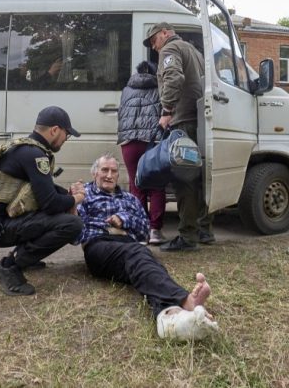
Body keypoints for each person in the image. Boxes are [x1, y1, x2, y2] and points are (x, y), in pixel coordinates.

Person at [76, 153, 218, 340]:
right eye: (104, 170)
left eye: (113, 171)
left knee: (146, 268)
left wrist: (124, 220)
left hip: (128, 246)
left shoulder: (130, 199)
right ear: (95, 173)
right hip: (99, 246)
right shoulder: (84, 195)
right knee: (141, 254)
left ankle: (170, 319)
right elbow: (76, 231)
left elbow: (144, 230)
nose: (109, 175)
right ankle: (186, 300)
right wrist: (76, 202)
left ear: (119, 175)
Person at [0, 106, 84, 296]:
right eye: (67, 134)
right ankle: (9, 267)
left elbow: (42, 192)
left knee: (61, 210)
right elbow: (50, 204)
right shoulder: (35, 155)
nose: (66, 139)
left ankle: (27, 258)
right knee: (72, 224)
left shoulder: (24, 148)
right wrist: (76, 198)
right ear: (55, 130)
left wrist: (67, 195)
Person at [144, 22, 214, 251]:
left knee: (184, 180)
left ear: (165, 33)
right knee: (199, 179)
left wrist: (166, 111)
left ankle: (187, 236)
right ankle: (204, 230)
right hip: (200, 121)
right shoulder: (195, 51)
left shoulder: (170, 49)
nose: (154, 47)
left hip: (183, 121)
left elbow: (173, 78)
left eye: (154, 40)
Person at [117, 60, 167, 244]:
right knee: (156, 185)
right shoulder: (159, 88)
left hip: (128, 142)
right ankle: (155, 231)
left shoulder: (126, 90)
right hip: (150, 142)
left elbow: (121, 114)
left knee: (136, 185)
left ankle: (141, 231)